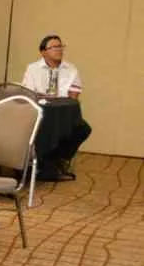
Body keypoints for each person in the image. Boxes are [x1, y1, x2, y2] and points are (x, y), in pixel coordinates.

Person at [21, 34, 92, 180]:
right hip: (39, 113)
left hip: (62, 114)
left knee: (83, 129)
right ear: (43, 52)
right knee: (44, 129)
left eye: (60, 46)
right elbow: (29, 93)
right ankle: (47, 165)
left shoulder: (71, 69)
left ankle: (58, 158)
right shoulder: (33, 69)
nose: (59, 49)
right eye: (54, 47)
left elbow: (73, 98)